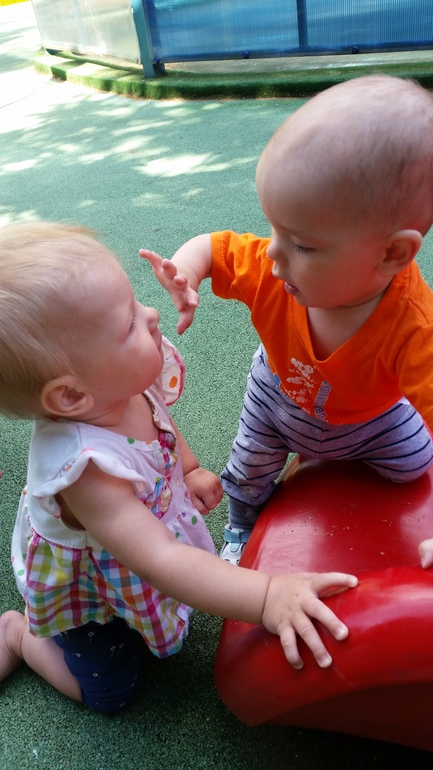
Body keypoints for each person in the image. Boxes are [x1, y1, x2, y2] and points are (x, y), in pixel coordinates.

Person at [0, 222, 358, 714]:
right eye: (128, 323)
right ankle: (18, 635)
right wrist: (267, 596)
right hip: (93, 583)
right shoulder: (88, 473)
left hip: (132, 538)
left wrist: (186, 469)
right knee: (112, 692)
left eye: (136, 304)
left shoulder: (115, 383)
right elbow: (161, 561)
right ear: (69, 396)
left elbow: (158, 420)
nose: (150, 315)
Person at [141, 74, 433, 567]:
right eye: (275, 230)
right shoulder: (274, 271)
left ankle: (334, 451)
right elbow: (215, 247)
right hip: (275, 402)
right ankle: (240, 528)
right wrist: (186, 272)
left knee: (415, 464)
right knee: (248, 472)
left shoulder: (416, 328)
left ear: (391, 254)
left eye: (301, 244)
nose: (273, 253)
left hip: (369, 419)